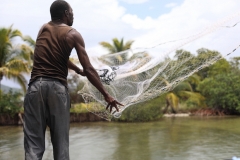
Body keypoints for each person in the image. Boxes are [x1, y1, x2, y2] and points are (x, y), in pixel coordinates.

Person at [23, 0, 123, 159]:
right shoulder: (73, 34)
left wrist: (77, 70)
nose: (73, 16)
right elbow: (90, 68)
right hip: (57, 89)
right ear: (66, 14)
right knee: (61, 147)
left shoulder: (43, 29)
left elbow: (57, 56)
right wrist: (106, 95)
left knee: (33, 148)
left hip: (35, 87)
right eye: (72, 13)